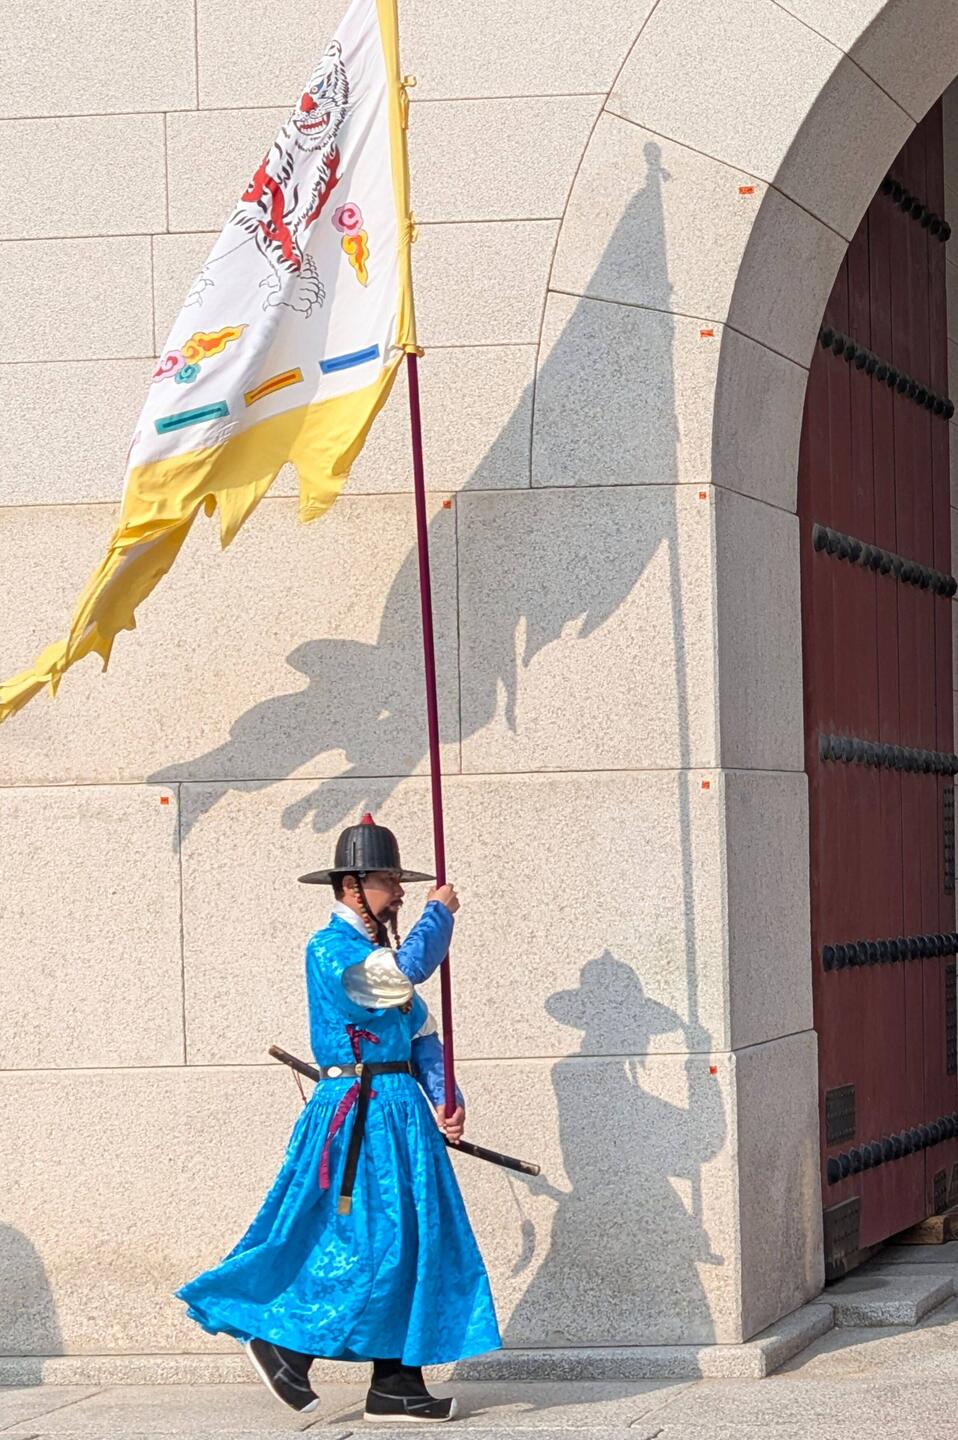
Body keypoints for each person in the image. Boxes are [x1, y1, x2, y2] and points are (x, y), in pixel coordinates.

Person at [175, 813, 500, 1422]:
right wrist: (441, 914)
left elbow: (420, 1034)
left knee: (416, 1241)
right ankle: (285, 1343)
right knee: (368, 1241)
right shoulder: (331, 950)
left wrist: (446, 1099)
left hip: (400, 1114)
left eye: (402, 884)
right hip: (363, 1116)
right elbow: (403, 977)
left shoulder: (375, 949)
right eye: (388, 881)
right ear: (353, 887)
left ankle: (398, 1381)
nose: (400, 892)